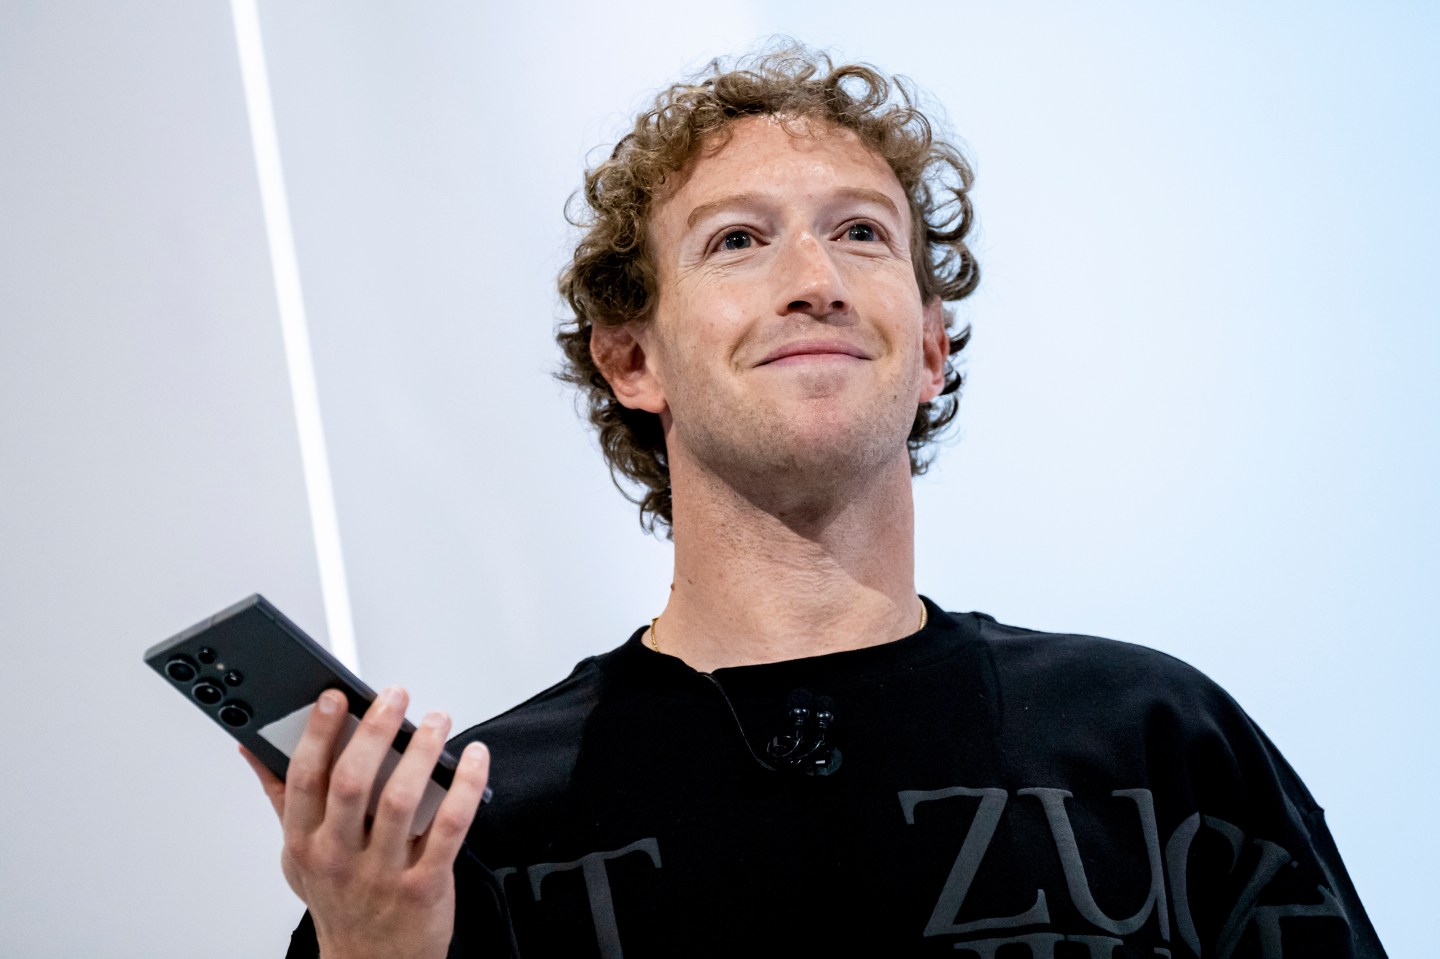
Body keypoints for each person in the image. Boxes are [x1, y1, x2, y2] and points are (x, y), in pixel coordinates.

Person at [248, 48, 1386, 958]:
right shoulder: (465, 832)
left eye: (861, 232)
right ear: (632, 358)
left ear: (930, 347)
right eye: (738, 239)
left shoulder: (1158, 741)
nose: (815, 280)